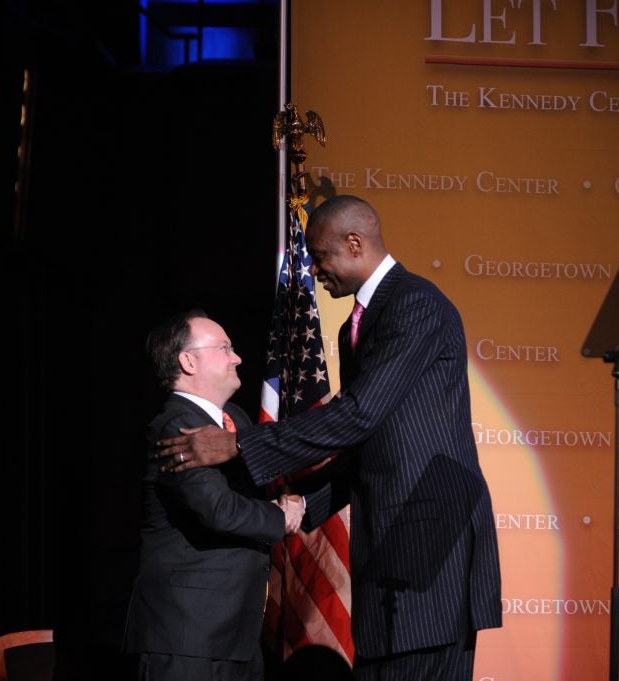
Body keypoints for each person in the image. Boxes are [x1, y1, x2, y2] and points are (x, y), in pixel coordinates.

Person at [156, 196, 502, 680]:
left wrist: (239, 445)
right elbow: (367, 445)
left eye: (320, 256)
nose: (315, 270)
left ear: (354, 243)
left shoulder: (415, 305)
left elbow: (358, 415)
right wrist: (302, 506)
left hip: (427, 553)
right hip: (388, 554)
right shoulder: (357, 325)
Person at [123, 309, 306, 681]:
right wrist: (280, 517)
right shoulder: (174, 425)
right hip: (186, 636)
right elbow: (219, 509)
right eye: (224, 348)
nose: (237, 357)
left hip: (236, 633)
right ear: (188, 361)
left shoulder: (235, 419)